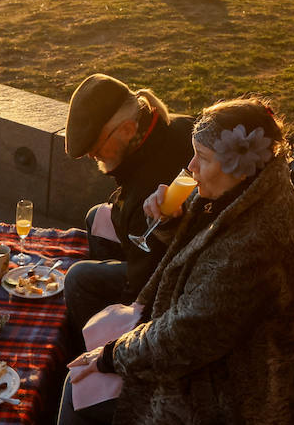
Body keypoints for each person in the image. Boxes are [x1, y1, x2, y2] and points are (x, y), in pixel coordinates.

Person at [59, 98, 294, 425]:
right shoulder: (244, 188)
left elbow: (186, 337)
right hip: (207, 347)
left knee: (79, 389)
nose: (190, 166)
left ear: (238, 164)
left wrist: (111, 356)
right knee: (86, 365)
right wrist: (166, 222)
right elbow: (199, 248)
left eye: (202, 158)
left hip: (233, 393)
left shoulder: (254, 244)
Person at [61, 74, 195, 363]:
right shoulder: (171, 126)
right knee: (95, 217)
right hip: (162, 246)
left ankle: (91, 356)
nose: (91, 155)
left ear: (127, 128)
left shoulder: (146, 193)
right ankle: (100, 316)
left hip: (175, 282)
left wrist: (124, 320)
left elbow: (147, 290)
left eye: (95, 147)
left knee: (78, 279)